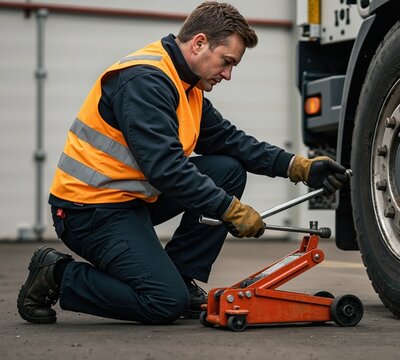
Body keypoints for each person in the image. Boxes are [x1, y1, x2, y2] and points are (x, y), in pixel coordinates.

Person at [17, 1, 347, 325]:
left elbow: (228, 140)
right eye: (226, 62)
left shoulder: (187, 85)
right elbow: (166, 168)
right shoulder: (145, 81)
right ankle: (58, 274)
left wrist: (299, 167)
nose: (228, 74)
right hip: (89, 212)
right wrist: (229, 209)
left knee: (227, 169)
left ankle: (180, 275)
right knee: (163, 302)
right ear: (199, 43)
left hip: (130, 201)